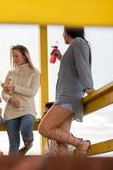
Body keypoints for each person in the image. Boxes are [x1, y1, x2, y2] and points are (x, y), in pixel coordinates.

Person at [38, 26, 94, 155]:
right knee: (61, 145)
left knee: (43, 128)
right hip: (67, 97)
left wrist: (88, 87)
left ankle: (81, 143)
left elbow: (82, 65)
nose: (62, 36)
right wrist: (61, 57)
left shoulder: (78, 42)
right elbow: (72, 67)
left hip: (68, 98)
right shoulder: (75, 45)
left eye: (63, 32)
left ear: (67, 32)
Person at [1, 45, 40, 155]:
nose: (14, 59)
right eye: (13, 56)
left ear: (25, 56)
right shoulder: (10, 73)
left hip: (28, 110)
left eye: (17, 56)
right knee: (13, 145)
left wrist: (15, 87)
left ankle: (28, 144)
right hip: (10, 112)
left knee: (26, 129)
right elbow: (3, 93)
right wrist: (9, 99)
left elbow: (32, 92)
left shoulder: (35, 73)